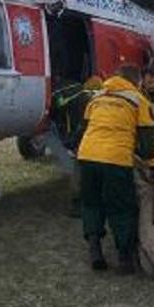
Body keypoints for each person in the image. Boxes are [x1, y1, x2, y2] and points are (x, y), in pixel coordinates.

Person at [76, 64, 154, 273]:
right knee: (121, 207)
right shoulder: (139, 101)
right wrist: (152, 167)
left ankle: (95, 250)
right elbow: (147, 145)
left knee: (92, 203)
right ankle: (124, 259)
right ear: (136, 82)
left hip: (87, 156)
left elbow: (83, 129)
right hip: (116, 159)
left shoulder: (96, 98)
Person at [54, 75, 103, 217]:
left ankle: (78, 205)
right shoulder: (101, 99)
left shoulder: (78, 97)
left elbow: (61, 106)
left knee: (80, 173)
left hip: (83, 141)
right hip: (98, 141)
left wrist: (72, 142)